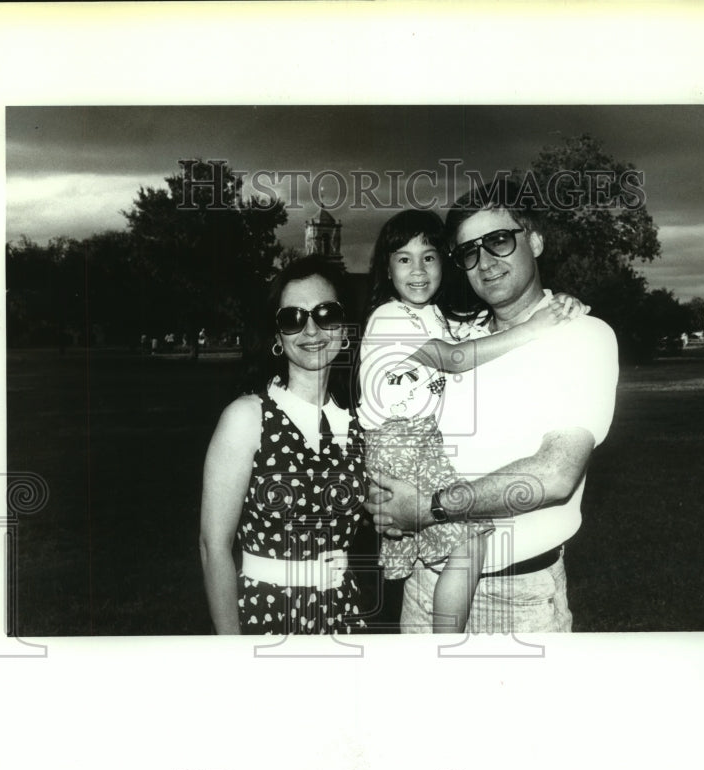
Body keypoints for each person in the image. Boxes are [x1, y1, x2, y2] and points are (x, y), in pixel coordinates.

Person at [365, 179, 619, 633]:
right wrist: (388, 500)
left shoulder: (582, 336)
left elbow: (555, 475)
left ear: (535, 240)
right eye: (469, 251)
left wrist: (427, 508)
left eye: (499, 240)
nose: (484, 261)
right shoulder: (462, 335)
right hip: (424, 585)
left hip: (516, 599)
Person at [199, 256, 367, 634]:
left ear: (344, 328)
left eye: (326, 313)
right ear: (277, 336)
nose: (311, 329)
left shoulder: (361, 422)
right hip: (266, 613)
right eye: (293, 317)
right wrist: (233, 652)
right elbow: (213, 548)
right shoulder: (247, 418)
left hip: (343, 614)